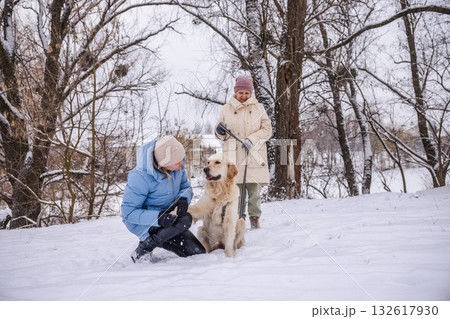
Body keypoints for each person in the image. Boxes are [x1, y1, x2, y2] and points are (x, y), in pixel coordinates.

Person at [121, 135, 205, 263]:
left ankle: (162, 237)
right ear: (164, 163)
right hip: (145, 223)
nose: (182, 163)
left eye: (182, 159)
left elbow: (186, 188)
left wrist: (183, 199)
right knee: (184, 220)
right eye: (177, 161)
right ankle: (145, 246)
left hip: (171, 220)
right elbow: (128, 213)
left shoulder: (177, 169)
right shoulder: (140, 177)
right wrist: (158, 218)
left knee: (198, 253)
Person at [215, 75, 272, 229]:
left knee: (254, 192)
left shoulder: (258, 108)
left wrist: (251, 140)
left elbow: (267, 129)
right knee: (235, 192)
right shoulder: (226, 108)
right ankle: (237, 221)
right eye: (241, 92)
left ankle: (255, 220)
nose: (244, 96)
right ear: (236, 92)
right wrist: (221, 131)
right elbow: (219, 132)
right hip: (233, 156)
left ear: (250, 93)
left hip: (253, 154)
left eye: (247, 93)